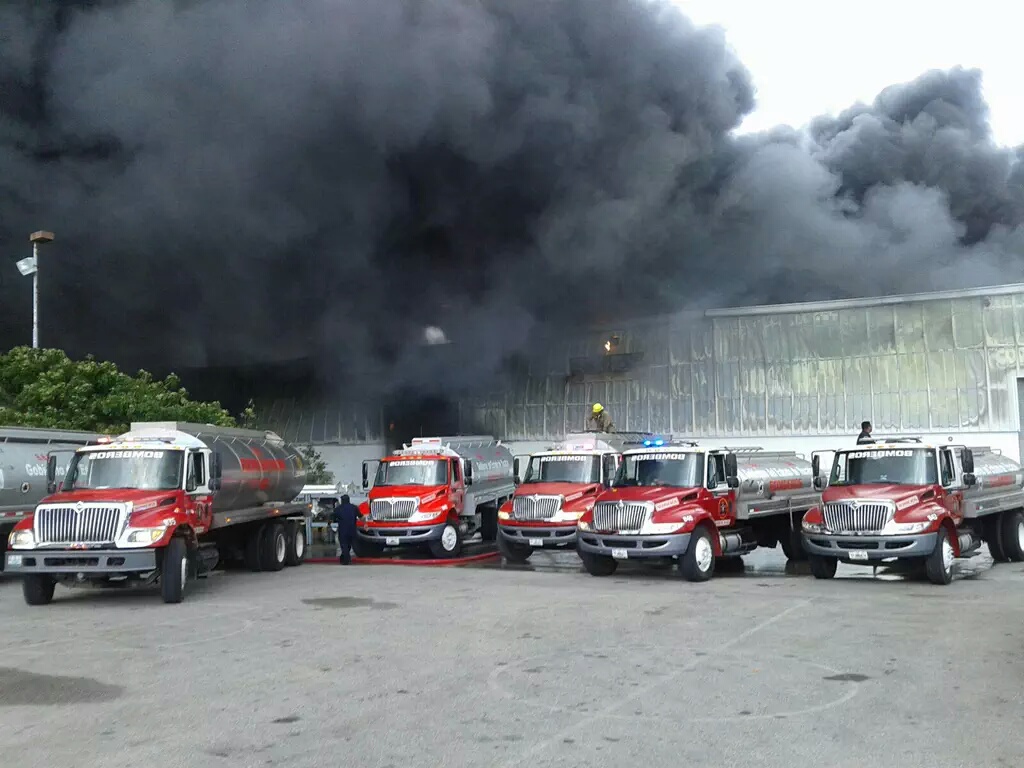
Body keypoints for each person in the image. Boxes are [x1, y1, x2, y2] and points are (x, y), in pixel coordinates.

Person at [332, 494, 360, 565]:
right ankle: (345, 557)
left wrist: (330, 523)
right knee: (349, 545)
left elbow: (333, 517)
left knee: (344, 545)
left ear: (342, 501)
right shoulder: (354, 507)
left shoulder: (338, 509)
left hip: (343, 530)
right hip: (352, 530)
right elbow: (361, 516)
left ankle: (345, 560)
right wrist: (366, 524)